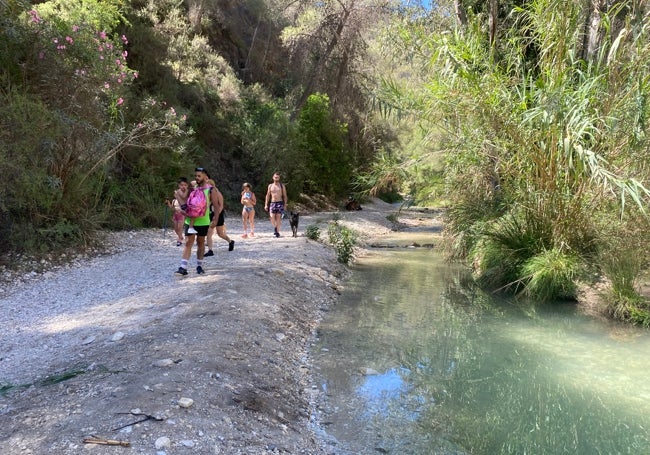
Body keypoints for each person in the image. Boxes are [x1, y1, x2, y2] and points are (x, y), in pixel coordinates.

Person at [174, 167, 220, 275]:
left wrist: (216, 218)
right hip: (190, 220)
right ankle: (183, 267)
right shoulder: (192, 188)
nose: (197, 178)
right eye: (196, 176)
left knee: (200, 243)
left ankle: (199, 266)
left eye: (199, 176)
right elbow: (185, 202)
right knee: (188, 243)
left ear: (205, 176)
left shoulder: (211, 190)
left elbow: (216, 205)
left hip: (203, 221)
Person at [204, 177, 235, 257]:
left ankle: (230, 241)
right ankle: (210, 250)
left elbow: (221, 206)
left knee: (220, 233)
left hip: (218, 214)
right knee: (209, 232)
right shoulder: (207, 193)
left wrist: (216, 215)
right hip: (210, 214)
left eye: (208, 185)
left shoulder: (217, 193)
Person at [264, 172, 288, 238]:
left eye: (277, 177)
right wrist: (266, 204)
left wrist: (285, 204)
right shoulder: (270, 186)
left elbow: (285, 196)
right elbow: (268, 195)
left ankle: (277, 232)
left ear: (279, 178)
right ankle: (275, 227)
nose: (276, 178)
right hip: (272, 203)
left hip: (280, 203)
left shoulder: (282, 186)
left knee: (278, 218)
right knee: (271, 217)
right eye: (275, 177)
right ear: (273, 177)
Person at [166, 177, 188, 246]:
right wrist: (168, 203)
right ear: (179, 185)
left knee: (180, 227)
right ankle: (180, 236)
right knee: (175, 228)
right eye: (181, 185)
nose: (183, 186)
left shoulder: (186, 195)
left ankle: (179, 239)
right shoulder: (174, 201)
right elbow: (172, 208)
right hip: (175, 214)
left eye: (185, 185)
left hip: (182, 214)